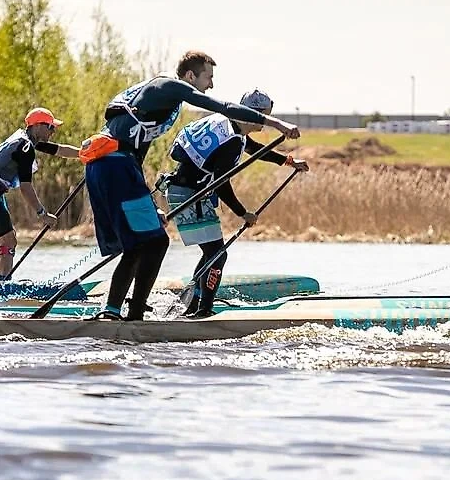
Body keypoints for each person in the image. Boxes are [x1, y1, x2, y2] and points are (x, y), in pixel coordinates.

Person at [80, 50, 300, 321]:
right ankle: (122, 313)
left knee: (148, 243)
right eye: (208, 77)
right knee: (151, 242)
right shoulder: (167, 85)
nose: (210, 85)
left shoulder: (162, 104)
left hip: (119, 167)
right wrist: (278, 124)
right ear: (189, 75)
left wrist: (149, 203)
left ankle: (124, 314)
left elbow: (137, 149)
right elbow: (224, 107)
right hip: (111, 165)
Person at [164, 88, 309, 318]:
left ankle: (194, 306)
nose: (263, 122)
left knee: (212, 252)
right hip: (189, 197)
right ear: (253, 113)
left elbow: (253, 149)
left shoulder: (228, 125)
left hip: (185, 192)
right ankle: (203, 312)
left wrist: (289, 161)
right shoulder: (231, 142)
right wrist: (244, 214)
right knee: (217, 254)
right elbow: (221, 185)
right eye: (263, 115)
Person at [0, 108, 80, 282]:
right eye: (50, 127)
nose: (53, 132)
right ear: (37, 126)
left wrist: (87, 155)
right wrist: (42, 214)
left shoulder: (28, 140)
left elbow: (60, 150)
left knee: (7, 240)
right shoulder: (25, 147)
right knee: (8, 241)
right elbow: (26, 187)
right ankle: (3, 288)